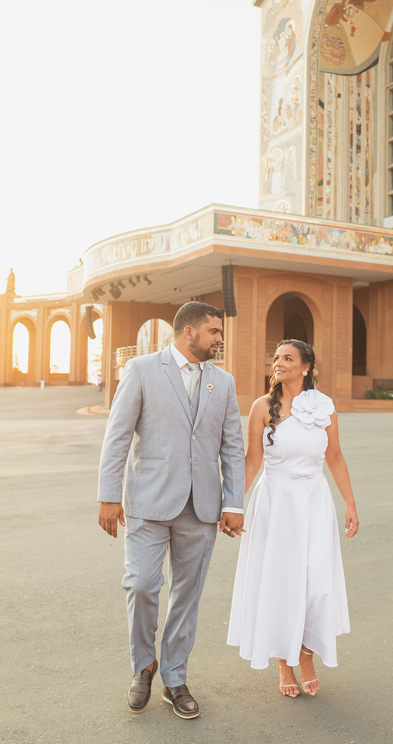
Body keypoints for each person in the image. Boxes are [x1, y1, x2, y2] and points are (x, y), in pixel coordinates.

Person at [97, 301, 246, 720]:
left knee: (187, 595)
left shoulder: (224, 382)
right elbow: (117, 436)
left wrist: (234, 502)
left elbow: (232, 446)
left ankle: (175, 678)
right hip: (148, 502)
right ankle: (143, 665)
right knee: (142, 584)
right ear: (189, 332)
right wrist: (109, 495)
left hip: (202, 507)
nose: (220, 339)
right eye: (214, 331)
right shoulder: (142, 370)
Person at [228, 340, 358, 698]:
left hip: (315, 502)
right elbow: (252, 461)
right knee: (281, 582)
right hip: (276, 503)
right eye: (276, 358)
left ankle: (306, 655)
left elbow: (335, 457)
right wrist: (232, 506)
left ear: (306, 367)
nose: (278, 363)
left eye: (288, 358)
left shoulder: (324, 407)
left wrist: (349, 503)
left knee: (317, 584)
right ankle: (284, 662)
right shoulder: (261, 407)